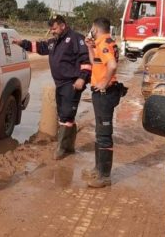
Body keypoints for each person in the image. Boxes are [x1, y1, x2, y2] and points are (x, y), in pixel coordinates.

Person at [13, 15, 92, 160]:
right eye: (51, 29)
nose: (52, 31)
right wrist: (22, 43)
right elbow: (41, 47)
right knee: (66, 114)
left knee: (66, 114)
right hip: (60, 84)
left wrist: (82, 78)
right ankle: (69, 147)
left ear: (63, 26)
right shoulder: (55, 41)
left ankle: (61, 148)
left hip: (72, 83)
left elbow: (85, 60)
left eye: (54, 28)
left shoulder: (76, 38)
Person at [84, 17, 122, 188]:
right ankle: (97, 169)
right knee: (100, 132)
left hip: (105, 93)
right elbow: (95, 62)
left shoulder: (105, 43)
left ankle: (104, 176)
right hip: (100, 93)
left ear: (96, 29)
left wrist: (104, 83)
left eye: (92, 28)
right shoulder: (100, 43)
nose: (90, 31)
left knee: (104, 134)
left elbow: (112, 65)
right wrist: (89, 48)